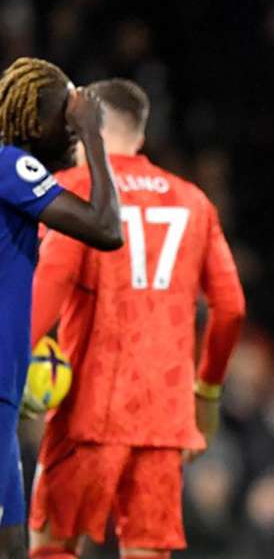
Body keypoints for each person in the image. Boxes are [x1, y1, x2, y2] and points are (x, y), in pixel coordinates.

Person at [27, 78, 246, 559]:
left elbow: (51, 283)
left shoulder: (73, 190)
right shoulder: (193, 201)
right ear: (140, 136)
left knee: (52, 544)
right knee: (148, 551)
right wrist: (206, 394)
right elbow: (230, 310)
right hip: (164, 417)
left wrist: (16, 359)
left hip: (89, 410)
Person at [0, 57, 123, 558]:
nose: (74, 126)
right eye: (67, 116)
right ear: (35, 124)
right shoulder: (10, 163)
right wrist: (96, 136)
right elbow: (106, 227)